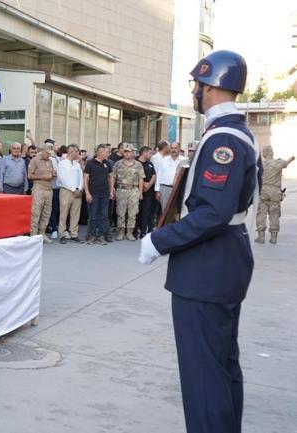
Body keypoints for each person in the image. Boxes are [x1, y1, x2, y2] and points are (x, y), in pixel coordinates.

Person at [139, 50, 259, 433]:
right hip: (224, 261)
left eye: (196, 84)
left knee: (204, 376)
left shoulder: (224, 138)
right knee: (221, 366)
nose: (194, 91)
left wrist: (160, 240)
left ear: (211, 86)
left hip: (208, 266)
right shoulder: (236, 132)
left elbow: (212, 212)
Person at [255, 145, 294, 243]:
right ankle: (273, 238)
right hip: (275, 194)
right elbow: (287, 162)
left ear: (264, 153)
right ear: (272, 152)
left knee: (261, 214)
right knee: (274, 214)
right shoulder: (278, 163)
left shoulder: (260, 165)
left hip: (263, 192)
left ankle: (261, 237)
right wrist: (291, 158)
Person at [112, 143, 145, 241]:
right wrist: (111, 189)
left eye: (128, 151)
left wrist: (141, 192)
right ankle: (121, 232)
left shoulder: (138, 164)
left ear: (133, 153)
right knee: (120, 212)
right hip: (121, 189)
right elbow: (113, 177)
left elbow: (141, 179)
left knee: (133, 213)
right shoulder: (118, 164)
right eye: (125, 151)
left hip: (133, 190)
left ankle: (130, 232)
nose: (126, 153)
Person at [84, 144, 114, 245]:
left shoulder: (108, 163)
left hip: (105, 194)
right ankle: (92, 236)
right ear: (100, 152)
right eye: (106, 152)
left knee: (104, 216)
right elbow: (86, 178)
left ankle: (101, 236)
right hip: (93, 193)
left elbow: (110, 178)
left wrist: (111, 191)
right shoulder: (90, 163)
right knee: (93, 215)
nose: (108, 154)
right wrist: (87, 193)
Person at [56, 144, 84, 244]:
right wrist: (73, 189)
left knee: (75, 214)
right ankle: (62, 234)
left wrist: (79, 188)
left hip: (77, 191)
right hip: (66, 191)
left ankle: (74, 234)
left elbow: (81, 177)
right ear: (71, 151)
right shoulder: (62, 164)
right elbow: (62, 179)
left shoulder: (76, 164)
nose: (78, 154)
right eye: (77, 152)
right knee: (64, 213)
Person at [27, 145, 56, 241]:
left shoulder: (50, 161)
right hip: (39, 189)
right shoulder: (35, 160)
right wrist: (44, 177)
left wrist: (53, 174)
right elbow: (30, 175)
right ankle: (34, 235)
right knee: (36, 212)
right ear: (43, 151)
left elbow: (50, 174)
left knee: (46, 213)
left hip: (49, 189)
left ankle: (42, 233)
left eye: (50, 154)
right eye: (47, 154)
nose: (49, 156)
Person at [155, 142, 185, 210]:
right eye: (171, 148)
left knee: (178, 210)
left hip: (179, 189)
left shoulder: (184, 160)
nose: (173, 150)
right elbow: (159, 175)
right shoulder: (163, 160)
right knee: (165, 211)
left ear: (179, 149)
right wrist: (157, 190)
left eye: (175, 148)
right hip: (165, 188)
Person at [136, 146, 157, 238]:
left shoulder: (150, 164)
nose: (151, 155)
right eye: (150, 153)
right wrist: (144, 184)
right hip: (137, 190)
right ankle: (135, 230)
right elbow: (136, 175)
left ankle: (143, 231)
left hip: (149, 192)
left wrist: (149, 184)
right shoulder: (136, 163)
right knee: (137, 212)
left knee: (146, 211)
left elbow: (154, 175)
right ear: (144, 152)